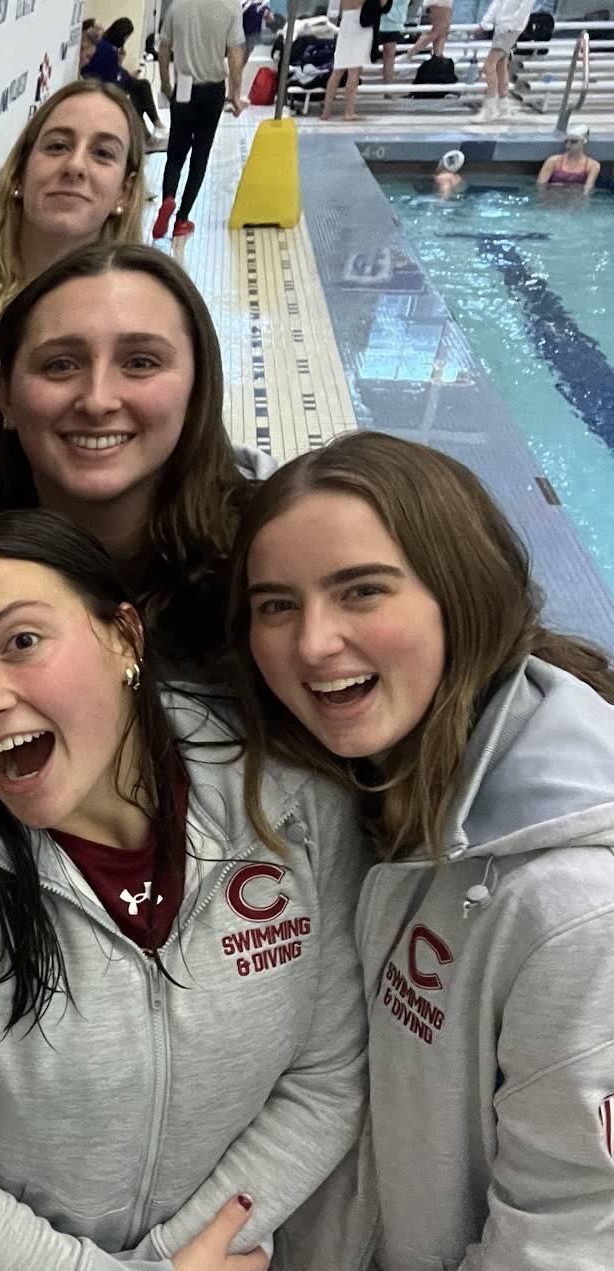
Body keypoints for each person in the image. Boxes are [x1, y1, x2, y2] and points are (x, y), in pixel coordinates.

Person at [0, 508, 365, 1271]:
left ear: (124, 636)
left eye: (21, 641)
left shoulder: (287, 801)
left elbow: (327, 1078)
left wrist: (177, 1260)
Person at [229, 431, 614, 1269]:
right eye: (276, 604)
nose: (312, 643)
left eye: (361, 591)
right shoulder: (363, 782)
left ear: (462, 592)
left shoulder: (580, 912)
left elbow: (562, 1245)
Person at [0, 243, 269, 673]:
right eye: (60, 365)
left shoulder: (270, 568)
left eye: (140, 362)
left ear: (197, 389)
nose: (97, 401)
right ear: (6, 397)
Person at [0, 80, 147, 354]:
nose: (75, 166)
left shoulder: (146, 321)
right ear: (19, 173)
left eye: (102, 153)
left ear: (124, 192)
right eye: (58, 146)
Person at [154, 0, 247, 239]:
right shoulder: (230, 6)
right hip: (212, 89)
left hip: (184, 87)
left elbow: (164, 47)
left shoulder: (177, 5)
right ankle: (182, 219)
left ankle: (168, 198)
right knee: (200, 154)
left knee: (175, 154)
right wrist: (235, 93)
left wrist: (165, 83)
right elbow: (235, 51)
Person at [84, 19, 164, 139]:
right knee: (135, 95)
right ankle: (148, 130)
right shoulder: (105, 49)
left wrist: (121, 63)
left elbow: (113, 70)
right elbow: (109, 76)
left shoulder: (109, 48)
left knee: (142, 86)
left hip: (118, 80)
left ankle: (150, 128)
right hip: (111, 84)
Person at [476, 0, 536, 121]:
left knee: (488, 66)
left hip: (509, 28)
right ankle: (503, 107)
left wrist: (512, 26)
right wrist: (485, 23)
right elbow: (497, 3)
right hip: (502, 27)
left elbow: (525, 8)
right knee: (500, 66)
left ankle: (490, 109)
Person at [324, 0, 378, 121]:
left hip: (346, 20)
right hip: (361, 21)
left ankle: (326, 111)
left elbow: (332, 11)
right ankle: (349, 112)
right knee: (354, 71)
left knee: (337, 70)